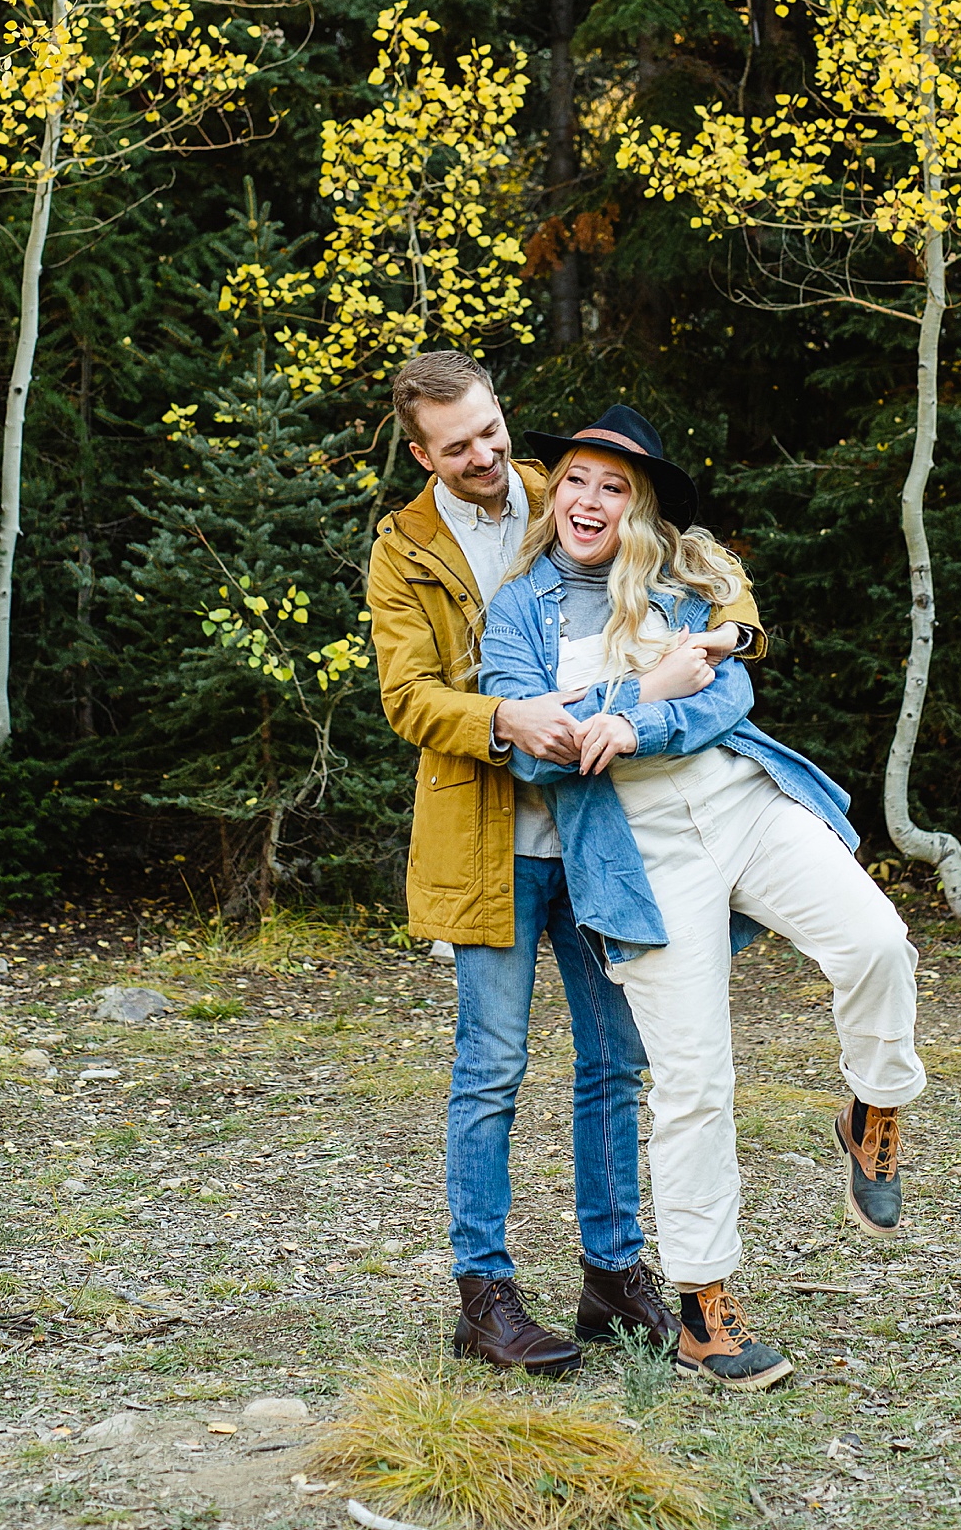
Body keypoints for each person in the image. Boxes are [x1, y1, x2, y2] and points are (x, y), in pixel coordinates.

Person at [479, 407, 925, 1392]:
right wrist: (647, 688)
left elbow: (725, 699)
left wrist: (635, 722)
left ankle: (874, 1104)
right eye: (577, 480)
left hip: (741, 800)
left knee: (878, 942)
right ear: (552, 492)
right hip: (637, 853)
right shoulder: (517, 610)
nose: (590, 500)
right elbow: (532, 743)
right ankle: (704, 1312)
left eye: (614, 484)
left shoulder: (678, 582)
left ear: (636, 503)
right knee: (691, 1080)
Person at [366, 352, 766, 1378]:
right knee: (491, 1065)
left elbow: (699, 567)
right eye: (458, 447)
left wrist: (724, 636)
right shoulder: (403, 551)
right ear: (422, 453)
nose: (487, 456)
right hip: (489, 835)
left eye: (493, 431)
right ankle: (484, 1293)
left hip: (602, 838)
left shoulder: (569, 487)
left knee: (613, 1059)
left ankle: (611, 1272)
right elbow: (407, 697)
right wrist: (501, 713)